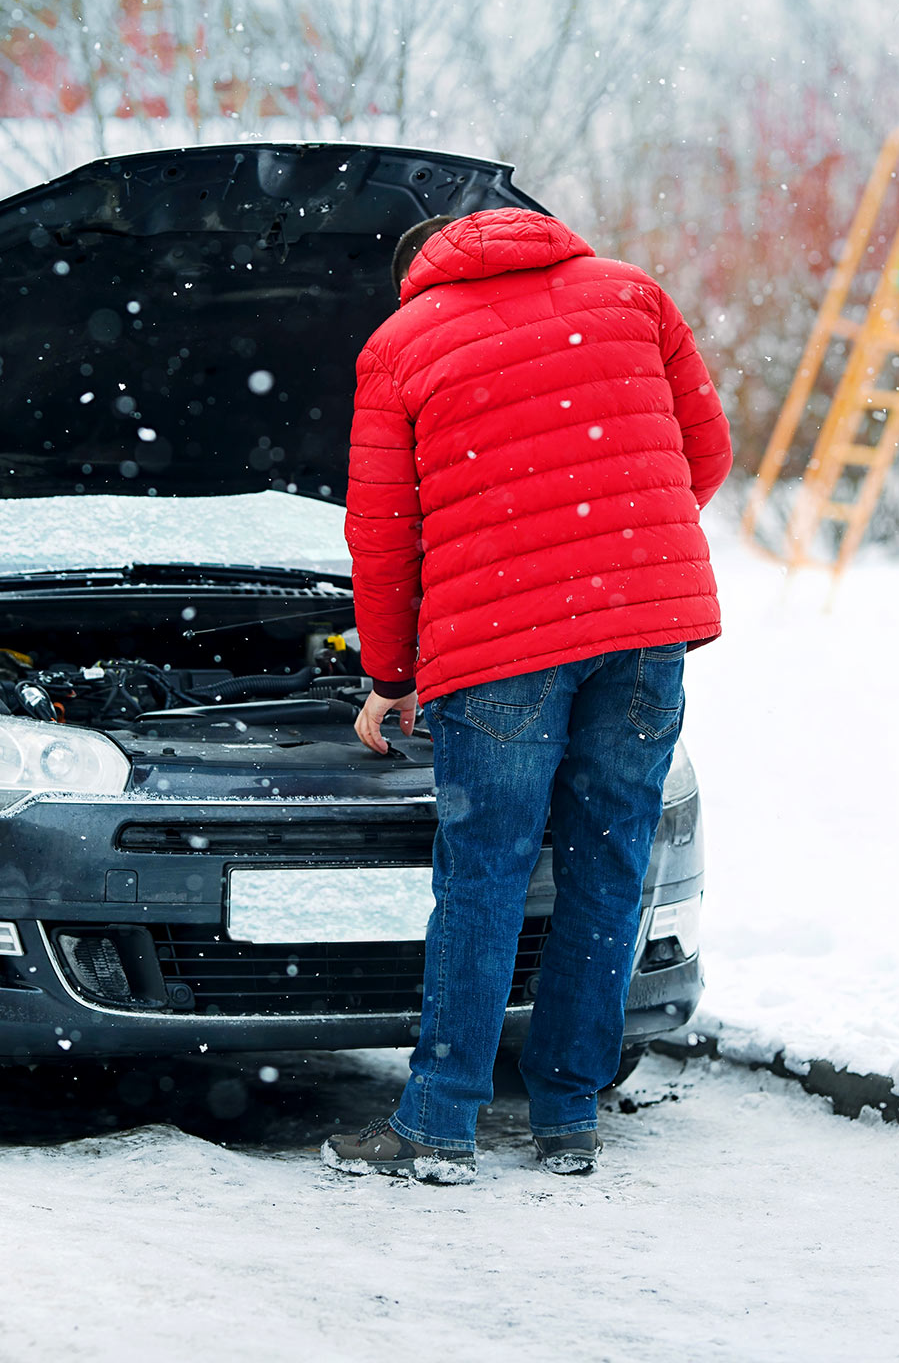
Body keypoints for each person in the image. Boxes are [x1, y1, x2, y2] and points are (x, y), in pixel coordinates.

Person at [322, 208, 732, 1183]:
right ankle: (567, 1118)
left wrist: (389, 678)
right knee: (606, 864)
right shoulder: (631, 295)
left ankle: (440, 1124)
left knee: (486, 875)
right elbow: (703, 456)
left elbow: (383, 540)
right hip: (645, 629)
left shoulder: (401, 344)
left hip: (500, 644)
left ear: (416, 272)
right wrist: (613, 562)